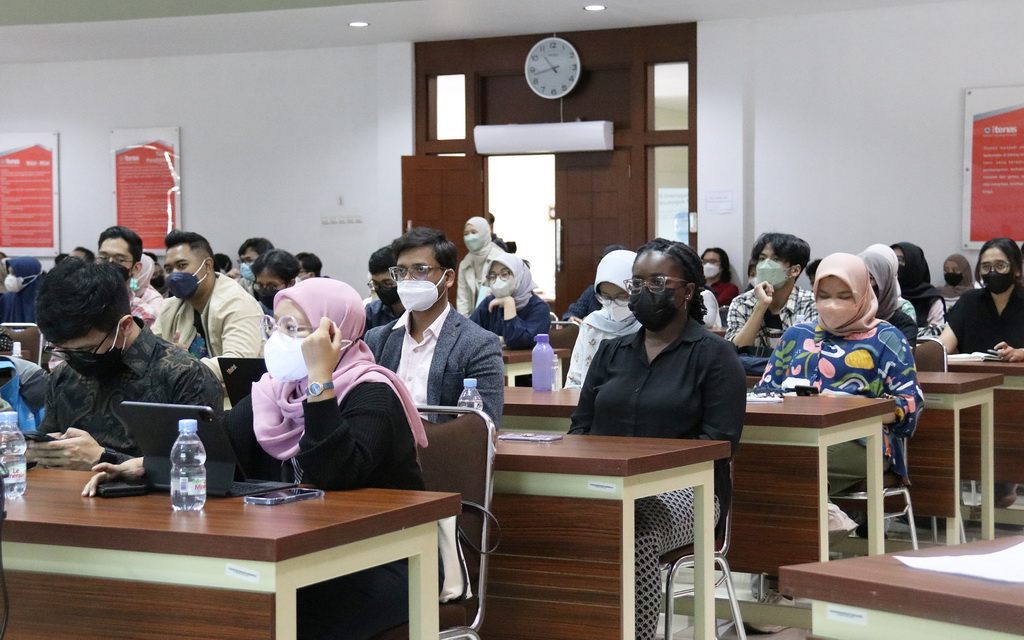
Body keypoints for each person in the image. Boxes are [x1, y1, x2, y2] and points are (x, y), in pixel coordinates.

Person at [84, 277, 427, 640]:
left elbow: (334, 473)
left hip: (384, 555)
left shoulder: (372, 393)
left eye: (293, 328)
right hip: (300, 552)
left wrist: (319, 378)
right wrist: (140, 465)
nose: (279, 338)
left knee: (282, 618)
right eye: (276, 325)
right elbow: (216, 448)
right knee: (212, 601)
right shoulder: (273, 394)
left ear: (333, 336)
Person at [568, 238, 745, 640]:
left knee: (638, 530)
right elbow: (581, 428)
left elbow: (718, 444)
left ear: (688, 291)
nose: (643, 291)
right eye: (637, 282)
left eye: (658, 282)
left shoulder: (715, 355)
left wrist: (647, 477)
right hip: (610, 484)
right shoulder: (611, 352)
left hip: (692, 493)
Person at [27, 258, 223, 470]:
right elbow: (46, 450)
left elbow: (210, 469)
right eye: (64, 351)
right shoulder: (64, 376)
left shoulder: (185, 375)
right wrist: (38, 453)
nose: (74, 360)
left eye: (87, 350)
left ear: (125, 326)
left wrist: (104, 459)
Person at [755, 253, 922, 495]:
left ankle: (827, 518)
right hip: (796, 434)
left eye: (844, 297)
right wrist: (789, 400)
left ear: (862, 294)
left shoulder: (886, 338)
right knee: (754, 460)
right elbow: (763, 394)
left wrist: (844, 405)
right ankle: (827, 516)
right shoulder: (797, 335)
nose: (832, 304)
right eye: (824, 296)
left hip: (863, 440)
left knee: (798, 464)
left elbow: (909, 406)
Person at [365, 227, 505, 424]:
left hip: (444, 444)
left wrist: (408, 430)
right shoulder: (376, 339)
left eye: (420, 270)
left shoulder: (479, 344)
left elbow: (483, 425)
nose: (407, 280)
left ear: (448, 278)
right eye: (401, 271)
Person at [939, 237, 1024, 509]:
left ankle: (1005, 482)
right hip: (973, 392)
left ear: (1016, 269)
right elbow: (943, 346)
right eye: (986, 267)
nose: (992, 272)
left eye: (1000, 265)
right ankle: (943, 503)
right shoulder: (970, 301)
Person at [153, 230, 265, 380]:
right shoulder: (170, 306)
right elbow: (150, 355)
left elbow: (235, 364)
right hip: (185, 390)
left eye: (182, 265)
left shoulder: (238, 303)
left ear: (207, 265)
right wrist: (165, 359)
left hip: (234, 392)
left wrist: (183, 366)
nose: (174, 275)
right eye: (168, 269)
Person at [726, 232, 817, 353]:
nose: (765, 265)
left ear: (795, 270)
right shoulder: (742, 302)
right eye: (762, 259)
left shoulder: (811, 303)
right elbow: (735, 351)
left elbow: (809, 353)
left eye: (776, 259)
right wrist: (761, 306)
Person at [565, 249, 641, 389]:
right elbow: (574, 380)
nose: (613, 303)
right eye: (606, 297)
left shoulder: (648, 326)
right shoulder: (591, 325)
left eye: (622, 297)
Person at [469, 252, 551, 350]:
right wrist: (498, 340)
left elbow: (517, 343)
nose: (498, 280)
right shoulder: (490, 301)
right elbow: (468, 332)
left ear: (520, 275)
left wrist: (508, 303)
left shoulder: (539, 308)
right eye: (493, 276)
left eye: (504, 274)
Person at [96, 225, 161, 327]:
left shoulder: (143, 314)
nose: (109, 264)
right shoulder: (80, 301)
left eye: (119, 260)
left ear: (135, 268)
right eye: (103, 257)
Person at [858, 244, 918, 345]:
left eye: (870, 278)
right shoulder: (842, 318)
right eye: (858, 277)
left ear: (885, 281)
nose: (863, 283)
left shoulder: (903, 324)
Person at [562, 244, 629, 322]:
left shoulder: (634, 292)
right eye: (606, 296)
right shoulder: (592, 290)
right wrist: (572, 319)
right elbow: (572, 313)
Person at [891, 241, 945, 337]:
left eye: (899, 260)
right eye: (892, 260)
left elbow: (936, 335)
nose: (896, 264)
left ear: (914, 263)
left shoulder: (931, 299)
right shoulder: (884, 294)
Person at [456, 216, 505, 316]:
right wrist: (464, 323)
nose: (470, 237)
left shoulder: (500, 259)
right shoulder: (465, 264)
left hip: (497, 316)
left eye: (474, 232)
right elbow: (462, 300)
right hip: (473, 320)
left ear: (484, 233)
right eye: (466, 234)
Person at [364, 244, 405, 334]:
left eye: (387, 284)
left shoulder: (418, 312)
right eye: (376, 284)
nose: (381, 289)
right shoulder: (371, 312)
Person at [251, 248, 301, 313]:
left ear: (291, 283)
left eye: (272, 286)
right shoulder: (258, 309)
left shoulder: (302, 308)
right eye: (260, 285)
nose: (264, 291)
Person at [0, 257, 44, 323]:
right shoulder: (6, 298)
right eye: (9, 273)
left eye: (14, 273)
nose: (10, 277)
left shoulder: (45, 300)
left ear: (27, 274)